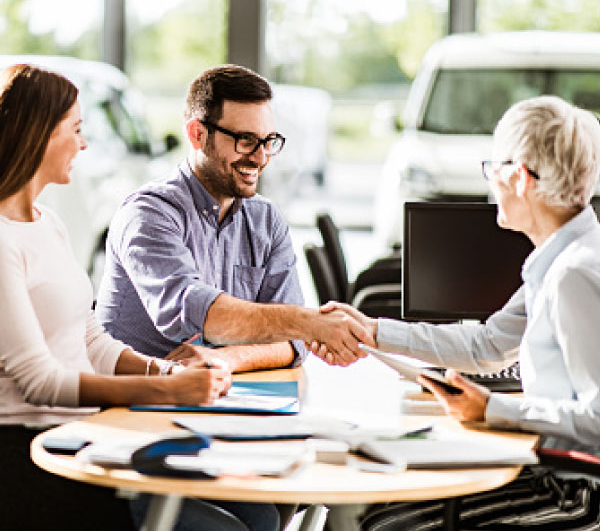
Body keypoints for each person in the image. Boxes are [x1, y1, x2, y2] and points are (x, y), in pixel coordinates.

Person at [0, 63, 282, 531]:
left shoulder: (48, 223)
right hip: (31, 454)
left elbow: (90, 340)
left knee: (263, 511)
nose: (84, 144)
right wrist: (166, 389)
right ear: (39, 134)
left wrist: (166, 369)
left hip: (84, 433)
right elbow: (40, 382)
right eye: (76, 130)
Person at [314, 95, 600, 530]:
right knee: (380, 513)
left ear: (520, 178)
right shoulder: (562, 257)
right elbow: (488, 345)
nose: (490, 185)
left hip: (574, 494)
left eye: (493, 169)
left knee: (388, 524)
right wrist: (374, 331)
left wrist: (494, 409)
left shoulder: (573, 273)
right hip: (550, 469)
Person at [95, 64, 372, 369]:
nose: (261, 157)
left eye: (268, 141)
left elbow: (292, 343)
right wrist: (308, 322)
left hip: (220, 395)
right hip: (132, 401)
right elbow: (192, 312)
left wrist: (226, 358)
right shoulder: (148, 214)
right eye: (246, 141)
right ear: (197, 134)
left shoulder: (265, 220)